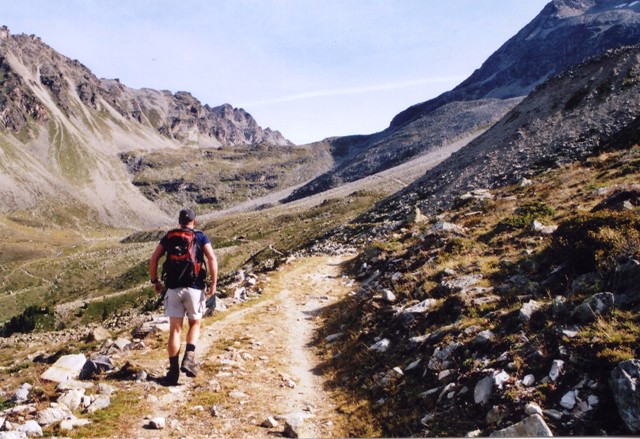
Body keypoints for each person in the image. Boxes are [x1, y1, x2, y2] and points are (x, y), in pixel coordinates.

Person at [149, 208, 218, 386]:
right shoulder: (200, 236)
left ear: (179, 221)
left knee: (175, 330)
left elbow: (154, 258)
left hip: (173, 288)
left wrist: (155, 281)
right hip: (195, 287)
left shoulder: (169, 236)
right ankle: (189, 357)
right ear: (194, 221)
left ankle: (172, 373)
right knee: (195, 323)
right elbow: (211, 258)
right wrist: (213, 283)